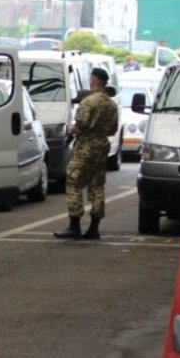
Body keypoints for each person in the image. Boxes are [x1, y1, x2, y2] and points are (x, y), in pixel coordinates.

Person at [53, 68, 119, 240]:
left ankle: (74, 226)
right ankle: (94, 227)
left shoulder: (88, 102)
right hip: (102, 146)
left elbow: (80, 125)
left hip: (86, 146)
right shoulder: (112, 104)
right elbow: (113, 130)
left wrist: (71, 130)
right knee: (97, 186)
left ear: (94, 80)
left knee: (73, 181)